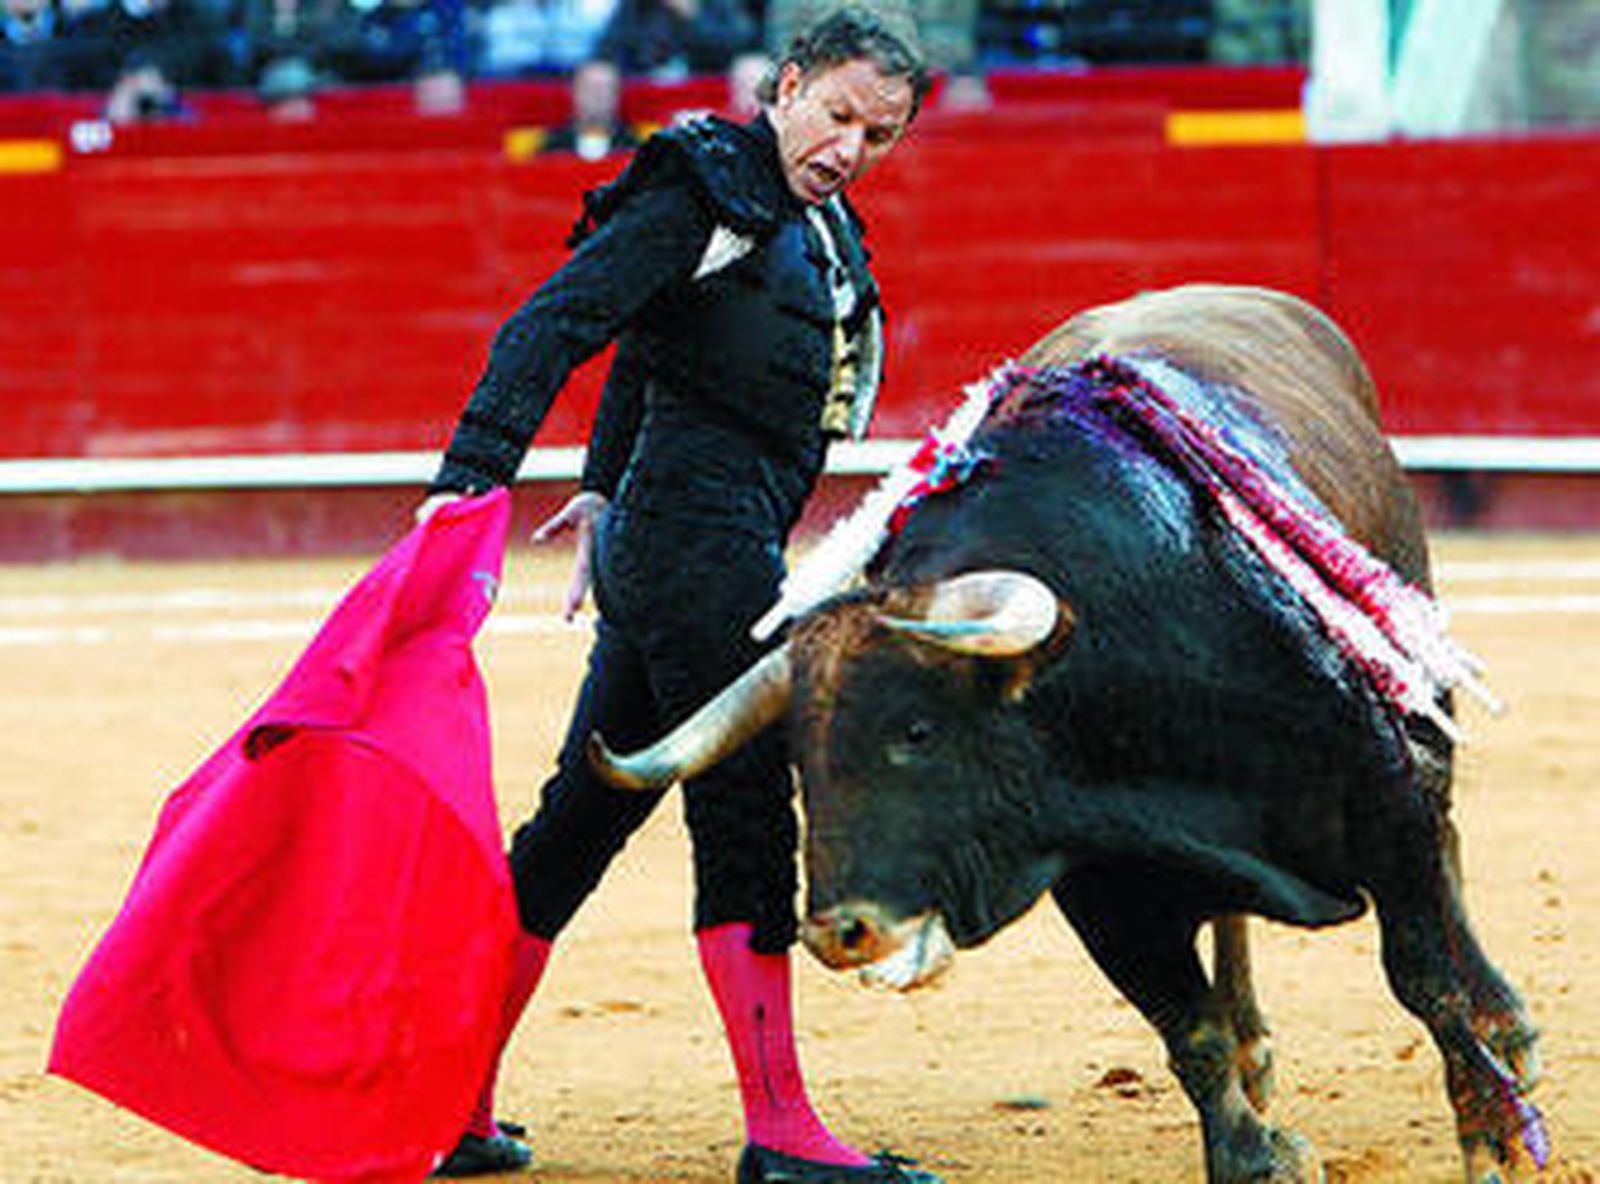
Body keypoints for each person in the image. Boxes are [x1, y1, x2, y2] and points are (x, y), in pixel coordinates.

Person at [420, 6, 939, 1181]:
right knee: (745, 807)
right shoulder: (709, 186)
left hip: (691, 538)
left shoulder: (810, 218)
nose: (853, 146)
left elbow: (652, 350)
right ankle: (781, 1130)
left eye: (881, 133)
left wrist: (605, 490)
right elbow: (559, 320)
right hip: (700, 546)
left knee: (580, 819)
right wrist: (469, 482)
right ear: (789, 84)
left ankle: (451, 1104)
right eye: (841, 113)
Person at [538, 56, 640, 159]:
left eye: (605, 88)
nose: (597, 95)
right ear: (575, 93)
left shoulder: (634, 149)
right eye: (590, 87)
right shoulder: (553, 148)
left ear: (617, 94)